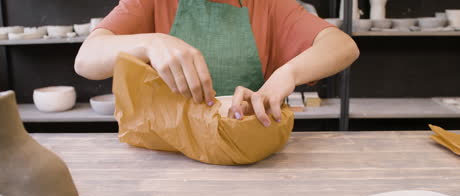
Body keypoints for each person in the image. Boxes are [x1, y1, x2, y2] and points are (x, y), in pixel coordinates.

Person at [75, 0, 359, 127]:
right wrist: (150, 42)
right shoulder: (150, 1)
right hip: (164, 153)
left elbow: (343, 46)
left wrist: (288, 73)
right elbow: (86, 59)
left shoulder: (269, 4)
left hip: (242, 148)